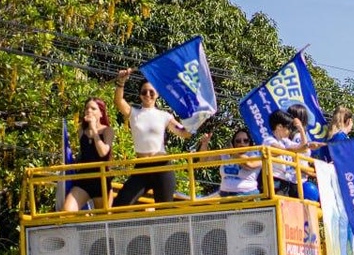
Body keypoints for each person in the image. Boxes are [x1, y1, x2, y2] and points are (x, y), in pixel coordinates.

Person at [112, 68, 207, 206]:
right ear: (140, 95)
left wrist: (197, 121)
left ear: (157, 94)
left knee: (164, 210)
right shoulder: (134, 113)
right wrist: (121, 82)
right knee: (121, 204)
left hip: (162, 166)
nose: (148, 95)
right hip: (142, 167)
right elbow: (118, 101)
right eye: (144, 92)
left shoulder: (165, 116)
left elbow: (183, 132)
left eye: (152, 92)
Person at [62, 98, 115, 211]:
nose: (89, 111)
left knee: (103, 220)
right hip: (84, 178)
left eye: (93, 108)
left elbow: (103, 152)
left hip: (101, 179)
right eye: (87, 108)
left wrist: (94, 130)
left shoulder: (108, 130)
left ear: (101, 113)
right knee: (67, 211)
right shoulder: (82, 130)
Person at [198, 128, 261, 197]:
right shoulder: (227, 153)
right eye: (238, 141)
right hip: (225, 195)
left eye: (245, 141)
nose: (242, 143)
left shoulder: (255, 153)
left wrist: (233, 153)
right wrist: (204, 144)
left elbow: (248, 164)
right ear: (233, 143)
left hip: (247, 195)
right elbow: (205, 161)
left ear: (250, 142)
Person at [263, 109, 312, 197]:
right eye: (288, 128)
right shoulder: (269, 140)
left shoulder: (285, 141)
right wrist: (295, 149)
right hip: (274, 179)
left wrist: (300, 128)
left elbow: (303, 148)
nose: (290, 131)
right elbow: (281, 150)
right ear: (279, 127)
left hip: (285, 180)